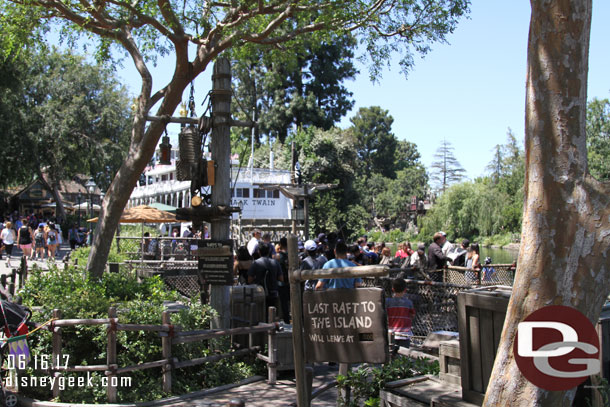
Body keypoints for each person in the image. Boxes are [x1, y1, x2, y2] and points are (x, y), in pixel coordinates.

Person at [247, 243, 283, 319]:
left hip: (259, 292)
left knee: (260, 314)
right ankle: (271, 328)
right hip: (273, 292)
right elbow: (281, 278)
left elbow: (249, 279)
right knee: (272, 313)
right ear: (269, 251)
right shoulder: (275, 263)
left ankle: (262, 328)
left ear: (259, 252)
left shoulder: (256, 263)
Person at [386, 277, 416, 348]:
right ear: (405, 290)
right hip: (405, 334)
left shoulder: (388, 302)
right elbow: (412, 315)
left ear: (393, 289)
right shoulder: (409, 303)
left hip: (392, 333)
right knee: (404, 355)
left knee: (391, 353)